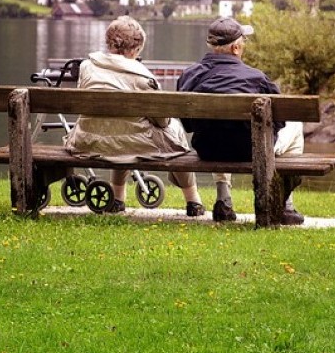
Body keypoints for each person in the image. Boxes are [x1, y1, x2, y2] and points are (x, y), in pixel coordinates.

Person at [64, 15, 206, 217]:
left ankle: (117, 199)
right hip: (130, 143)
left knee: (120, 129)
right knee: (174, 130)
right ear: (135, 49)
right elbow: (162, 120)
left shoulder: (87, 66)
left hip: (89, 141)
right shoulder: (142, 74)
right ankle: (193, 201)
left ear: (109, 42)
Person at [176, 17, 306, 224]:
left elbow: (188, 124)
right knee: (296, 126)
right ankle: (285, 205)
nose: (244, 44)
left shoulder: (190, 75)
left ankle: (224, 199)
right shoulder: (256, 78)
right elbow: (279, 121)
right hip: (251, 151)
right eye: (244, 40)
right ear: (236, 48)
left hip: (208, 150)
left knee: (219, 132)